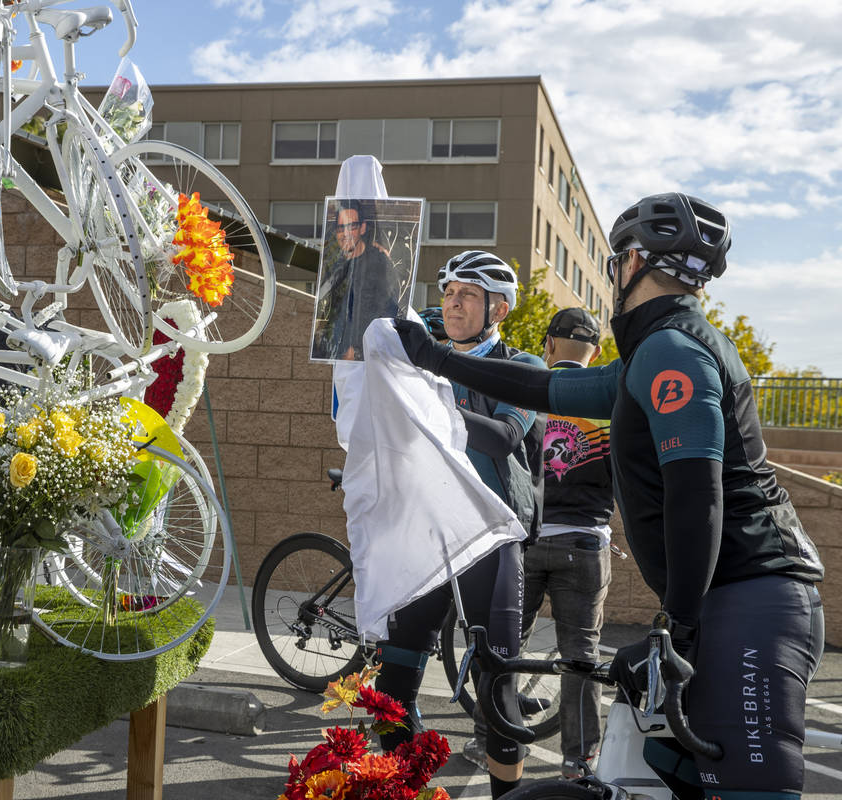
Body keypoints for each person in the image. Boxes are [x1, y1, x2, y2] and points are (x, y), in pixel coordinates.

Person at [393, 192, 825, 800]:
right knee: (669, 780)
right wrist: (435, 357)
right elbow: (542, 385)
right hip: (727, 596)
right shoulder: (649, 355)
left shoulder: (673, 350)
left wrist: (675, 627)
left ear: (636, 261)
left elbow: (697, 496)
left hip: (753, 593)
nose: (613, 271)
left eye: (618, 258)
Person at [375, 250, 545, 799]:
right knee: (393, 681)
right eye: (448, 291)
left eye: (468, 294)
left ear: (498, 308)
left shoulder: (526, 368)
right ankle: (411, 786)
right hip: (427, 534)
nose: (452, 301)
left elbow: (503, 438)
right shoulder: (423, 362)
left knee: (496, 690)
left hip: (491, 539)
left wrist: (432, 401)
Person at [525, 307, 614, 780]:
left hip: (528, 540)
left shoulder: (530, 391)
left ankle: (491, 739)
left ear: (549, 344)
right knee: (581, 657)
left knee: (504, 646)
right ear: (596, 352)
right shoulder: (608, 404)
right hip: (585, 543)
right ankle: (579, 762)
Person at [313, 200, 399, 361]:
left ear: (362, 228)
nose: (345, 233)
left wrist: (358, 349)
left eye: (351, 226)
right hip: (333, 352)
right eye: (340, 227)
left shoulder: (379, 263)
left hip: (366, 358)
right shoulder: (335, 265)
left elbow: (388, 311)